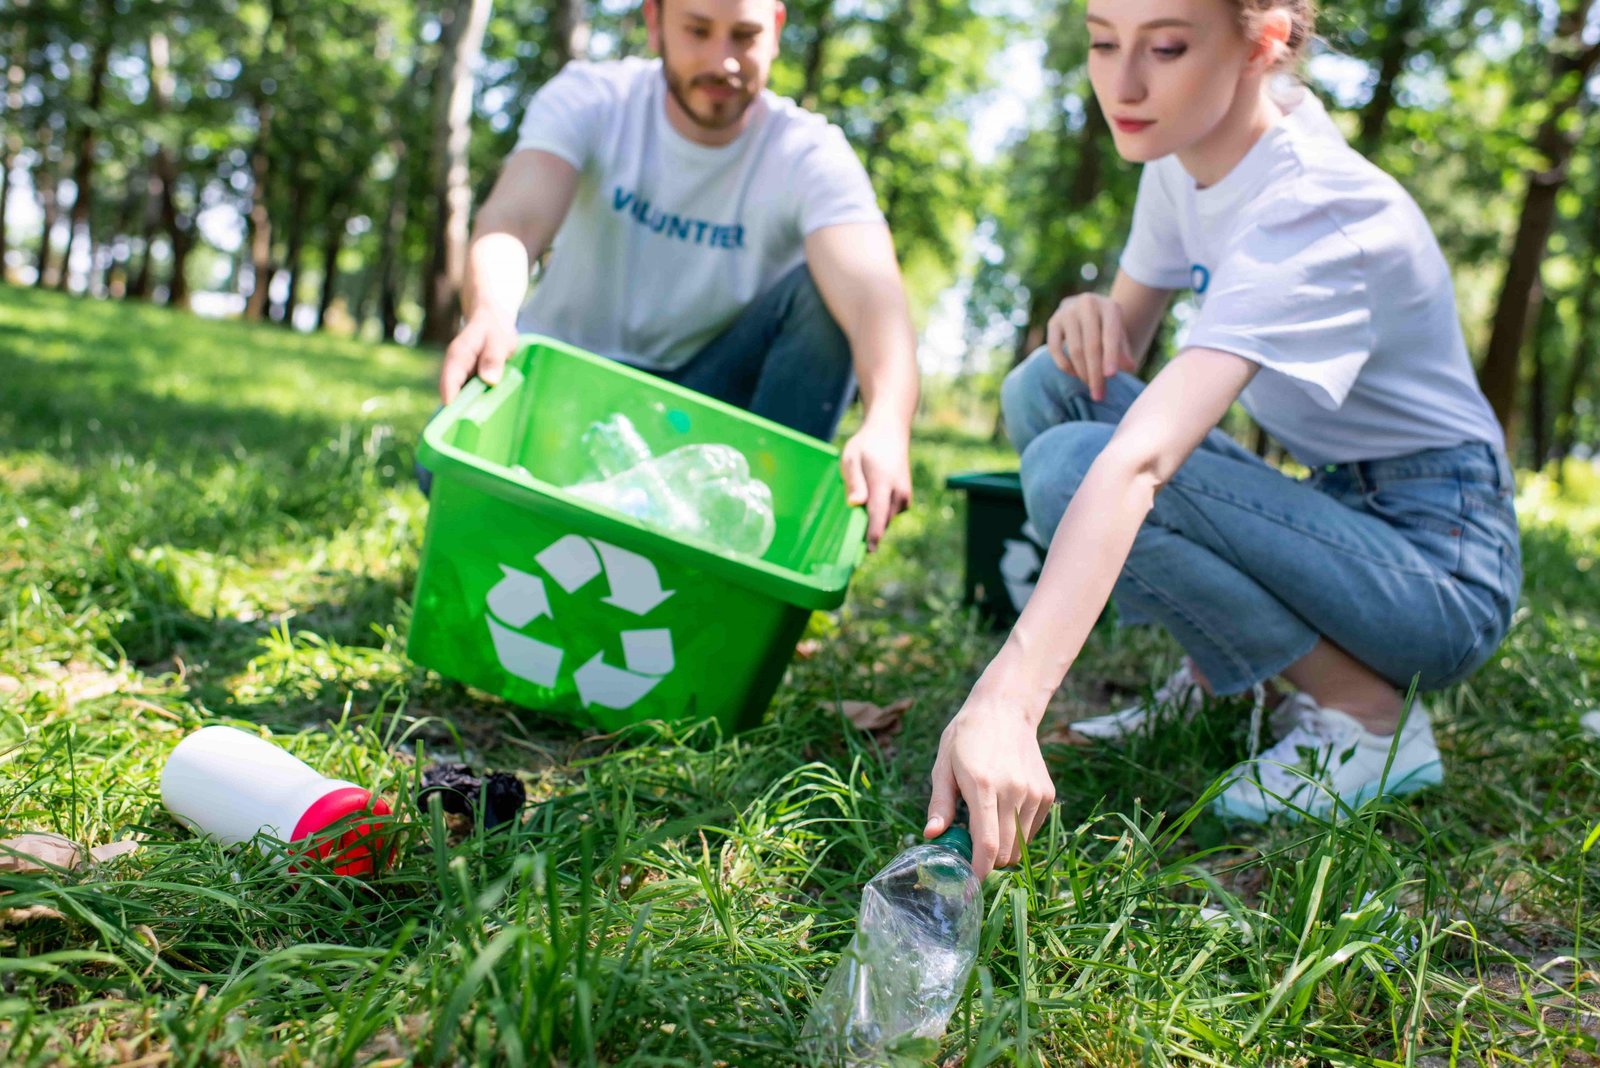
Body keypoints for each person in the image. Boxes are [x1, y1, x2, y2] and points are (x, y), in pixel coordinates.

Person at [924, 0, 1522, 877]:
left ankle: (1369, 719)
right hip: (1337, 509)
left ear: (1264, 42)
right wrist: (1088, 317)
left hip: (1438, 567)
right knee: (1048, 391)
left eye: (1165, 47)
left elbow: (1140, 457)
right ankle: (1228, 677)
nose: (1122, 83)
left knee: (1075, 463)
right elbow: (1103, 365)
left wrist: (1009, 699)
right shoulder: (1180, 158)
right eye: (1101, 42)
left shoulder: (1311, 203)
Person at [434, 0, 918, 550]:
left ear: (776, 31)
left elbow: (875, 297)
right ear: (654, 21)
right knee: (444, 471)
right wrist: (492, 312)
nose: (723, 61)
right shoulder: (591, 96)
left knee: (824, 300)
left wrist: (887, 421)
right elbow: (516, 219)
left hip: (707, 408)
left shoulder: (809, 152)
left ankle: (761, 551)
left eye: (744, 36)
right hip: (566, 389)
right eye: (697, 30)